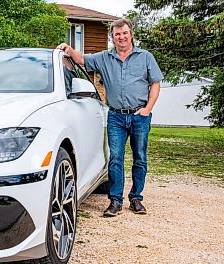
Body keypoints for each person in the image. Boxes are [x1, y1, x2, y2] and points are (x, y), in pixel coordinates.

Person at [57, 18, 163, 217]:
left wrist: (148, 109)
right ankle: (115, 201)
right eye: (117, 34)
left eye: (124, 33)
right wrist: (69, 50)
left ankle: (136, 198)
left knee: (140, 158)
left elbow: (155, 84)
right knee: (115, 159)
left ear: (131, 34)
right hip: (115, 117)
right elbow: (81, 59)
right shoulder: (104, 58)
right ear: (112, 38)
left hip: (140, 115)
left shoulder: (146, 57)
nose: (121, 37)